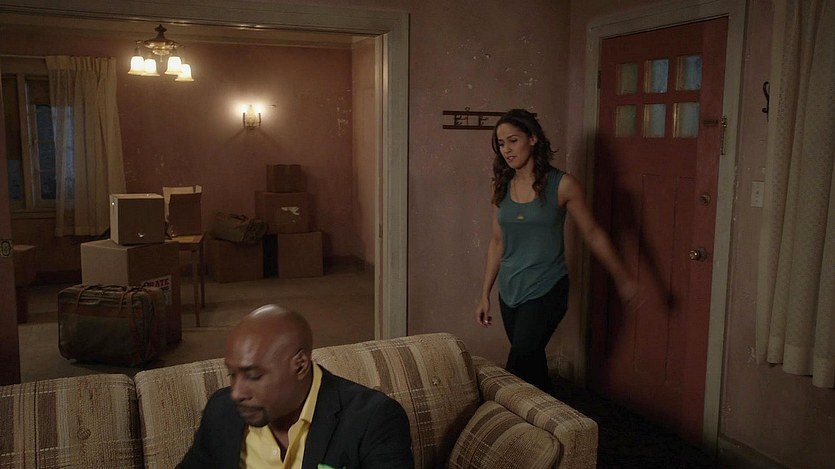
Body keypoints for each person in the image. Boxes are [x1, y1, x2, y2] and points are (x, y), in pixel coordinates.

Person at [475, 108, 637, 393]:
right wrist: (484, 294)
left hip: (547, 290)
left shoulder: (563, 185)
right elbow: (497, 242)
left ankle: (500, 414)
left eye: (513, 141)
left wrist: (622, 277)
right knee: (532, 366)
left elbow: (592, 233)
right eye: (501, 144)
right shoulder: (500, 186)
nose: (507, 150)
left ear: (533, 138)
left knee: (518, 364)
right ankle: (553, 417)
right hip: (510, 291)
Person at [178, 304, 414, 469]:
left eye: (253, 376)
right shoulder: (221, 411)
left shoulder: (374, 419)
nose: (237, 393)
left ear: (300, 365)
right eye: (232, 374)